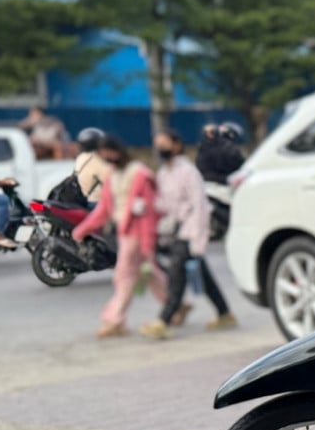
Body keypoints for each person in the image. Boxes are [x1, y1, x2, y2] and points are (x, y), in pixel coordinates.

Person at [141, 129, 236, 339]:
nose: (160, 149)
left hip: (191, 229)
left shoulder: (188, 171)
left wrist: (198, 239)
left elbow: (200, 205)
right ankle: (224, 313)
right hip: (176, 230)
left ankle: (163, 320)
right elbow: (165, 205)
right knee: (201, 273)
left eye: (164, 144)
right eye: (157, 144)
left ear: (176, 145)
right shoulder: (163, 173)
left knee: (177, 273)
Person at [71, 135, 166, 338]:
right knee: (149, 273)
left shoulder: (139, 174)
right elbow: (104, 209)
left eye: (107, 153)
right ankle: (174, 304)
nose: (106, 158)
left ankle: (114, 320)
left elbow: (148, 213)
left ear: (117, 151)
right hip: (125, 232)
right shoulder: (113, 174)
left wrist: (148, 243)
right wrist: (83, 229)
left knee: (123, 276)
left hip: (137, 234)